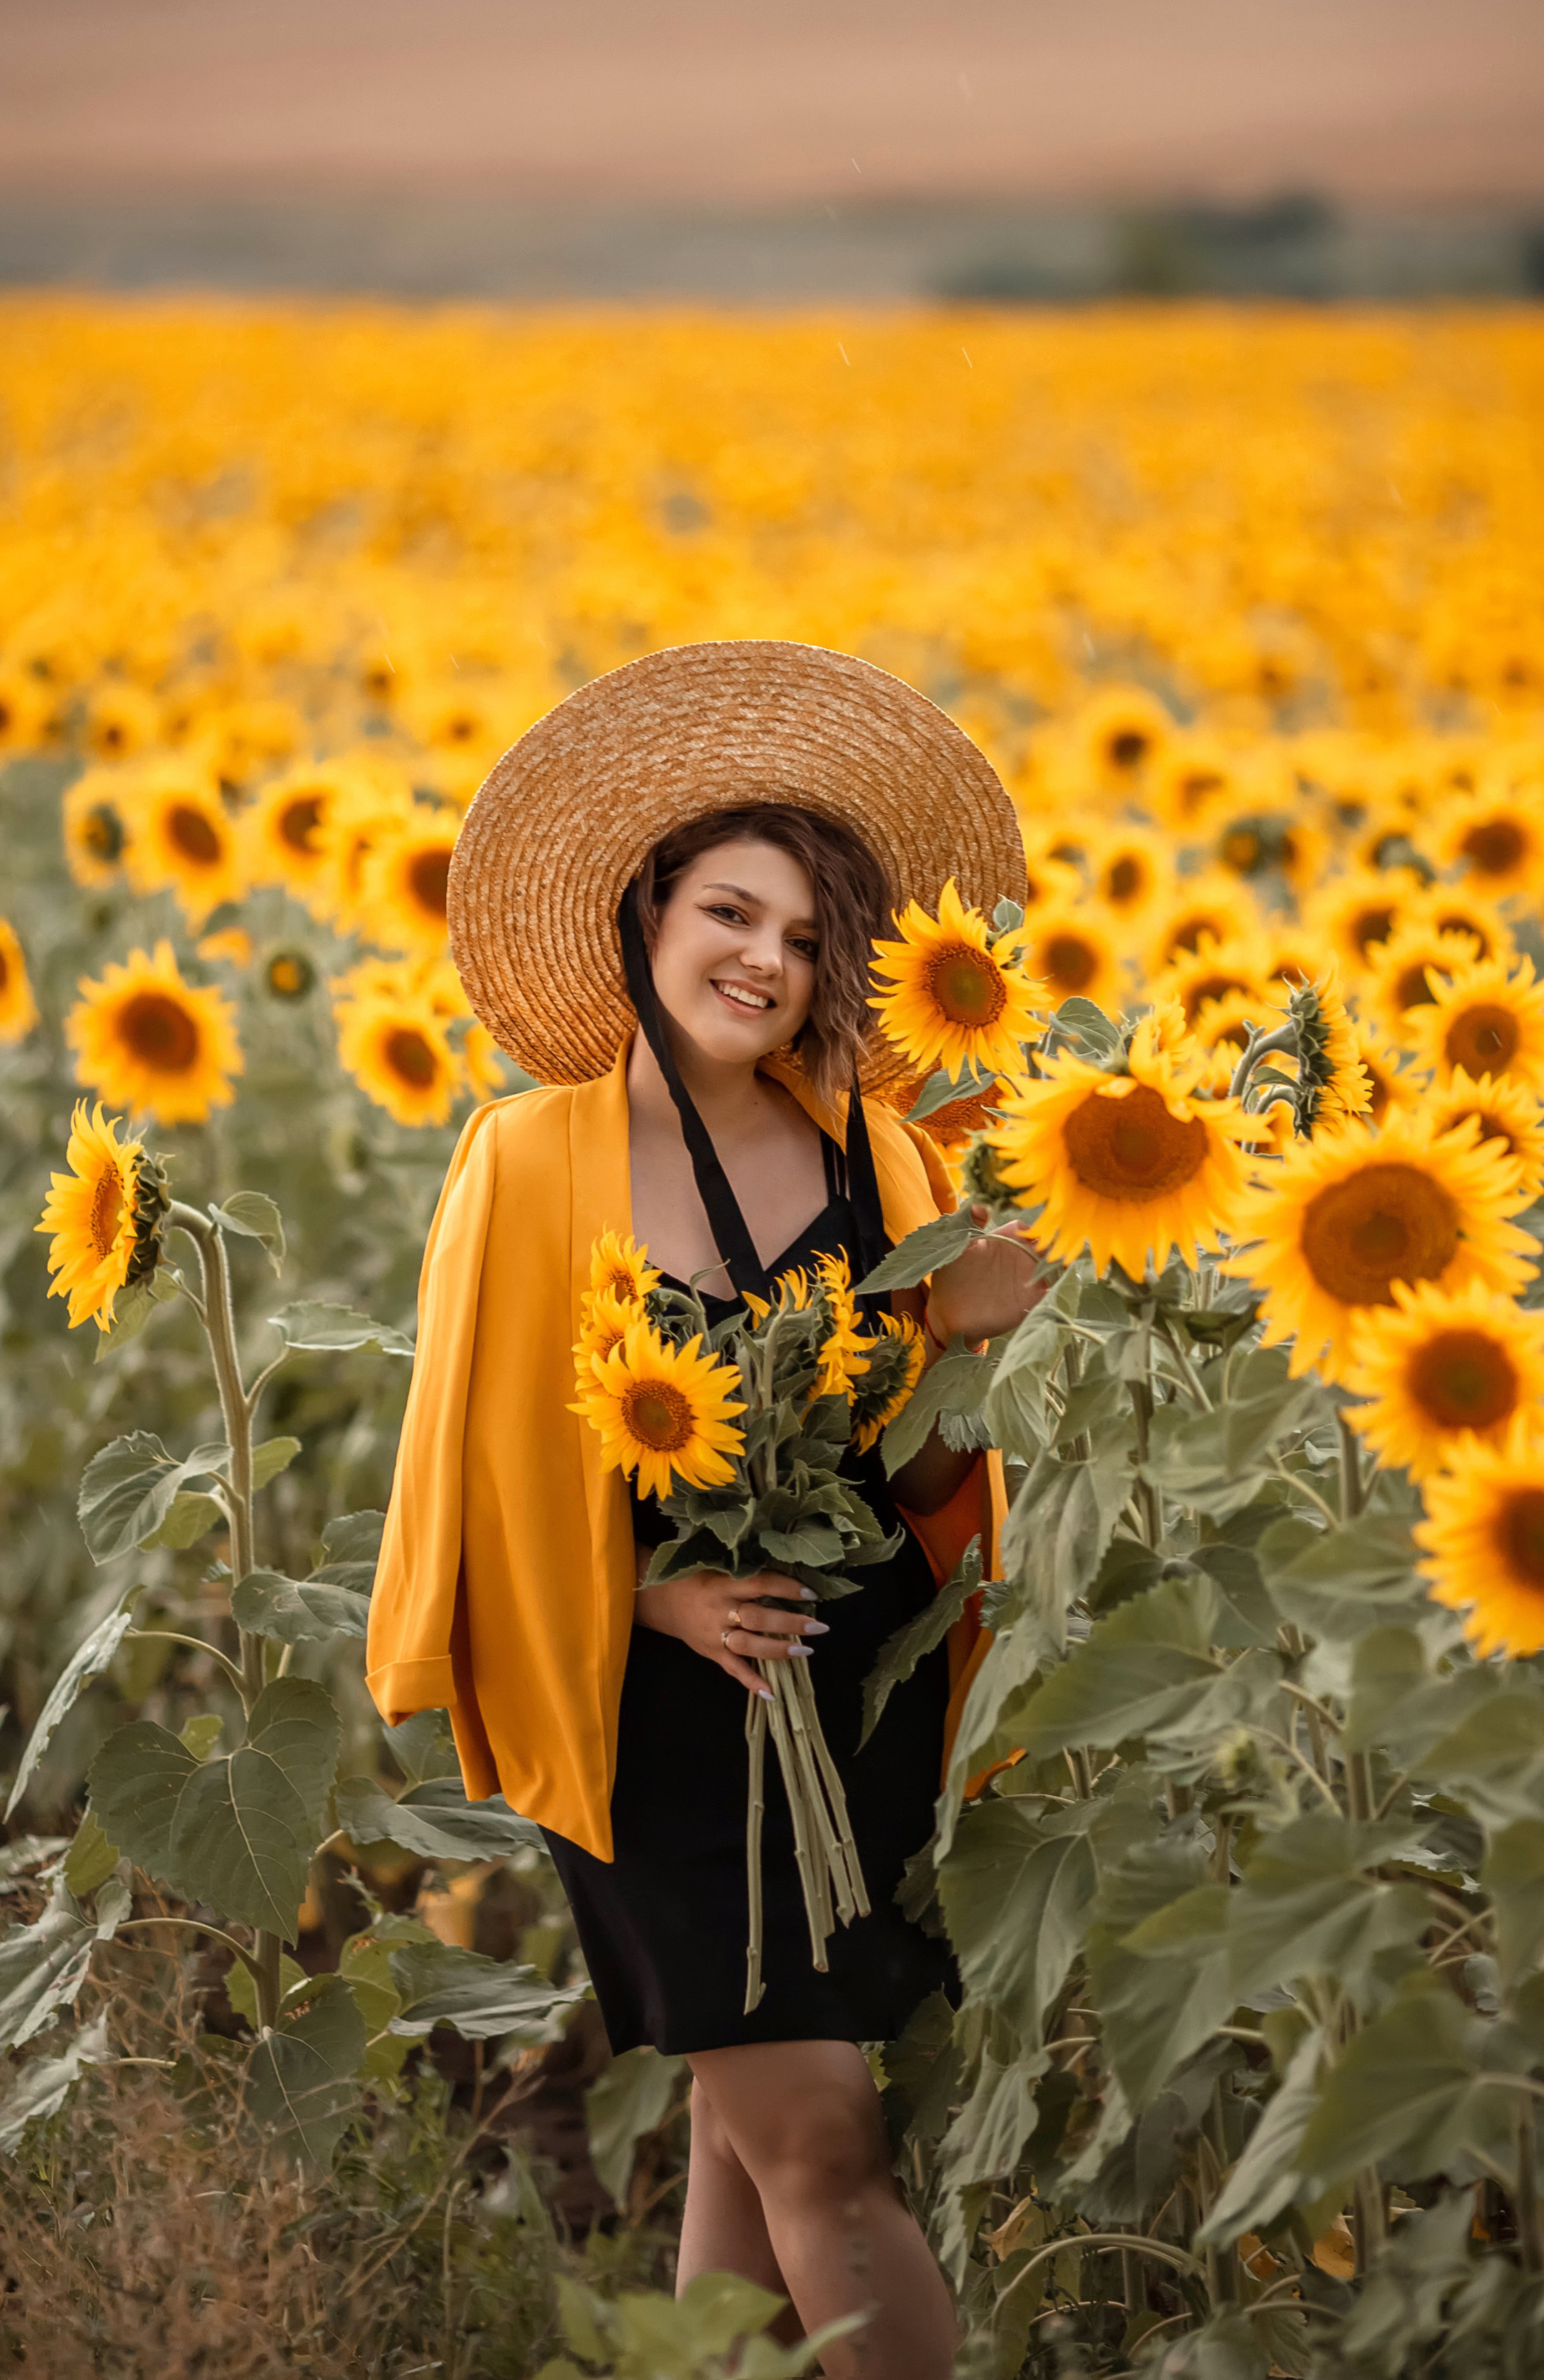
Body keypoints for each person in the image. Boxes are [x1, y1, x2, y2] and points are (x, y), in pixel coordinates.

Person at [366, 641, 1046, 2377]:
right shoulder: (526, 1160)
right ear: (645, 912)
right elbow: (478, 1470)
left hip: (855, 1696)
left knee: (749, 2156)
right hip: (653, 1716)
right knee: (822, 2144)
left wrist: (962, 1344)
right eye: (730, 913)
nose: (765, 960)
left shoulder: (877, 1154)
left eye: (807, 938)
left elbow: (913, 1476)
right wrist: (648, 1598)